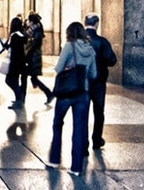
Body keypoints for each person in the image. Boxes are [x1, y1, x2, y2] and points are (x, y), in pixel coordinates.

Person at [46, 22, 97, 175]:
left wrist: (68, 67)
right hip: (83, 92)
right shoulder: (90, 49)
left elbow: (58, 67)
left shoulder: (69, 46)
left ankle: (54, 160)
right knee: (79, 128)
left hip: (66, 92)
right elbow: (94, 74)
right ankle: (76, 167)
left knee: (57, 124)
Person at [84, 13, 117, 150]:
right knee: (98, 112)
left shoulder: (78, 41)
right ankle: (97, 139)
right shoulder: (102, 42)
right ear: (96, 24)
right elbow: (112, 60)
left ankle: (83, 143)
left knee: (82, 113)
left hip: (83, 82)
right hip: (98, 82)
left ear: (85, 23)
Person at [25, 13, 54, 104]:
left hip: (34, 57)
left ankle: (48, 93)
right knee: (33, 78)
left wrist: (27, 55)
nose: (28, 23)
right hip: (34, 56)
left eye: (29, 21)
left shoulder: (36, 31)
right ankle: (48, 93)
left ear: (32, 22)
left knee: (33, 78)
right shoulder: (35, 30)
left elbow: (34, 45)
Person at [4, 17, 28, 110]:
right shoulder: (22, 35)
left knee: (9, 80)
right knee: (15, 80)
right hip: (22, 62)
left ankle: (19, 98)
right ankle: (19, 98)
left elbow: (8, 47)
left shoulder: (14, 36)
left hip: (14, 62)